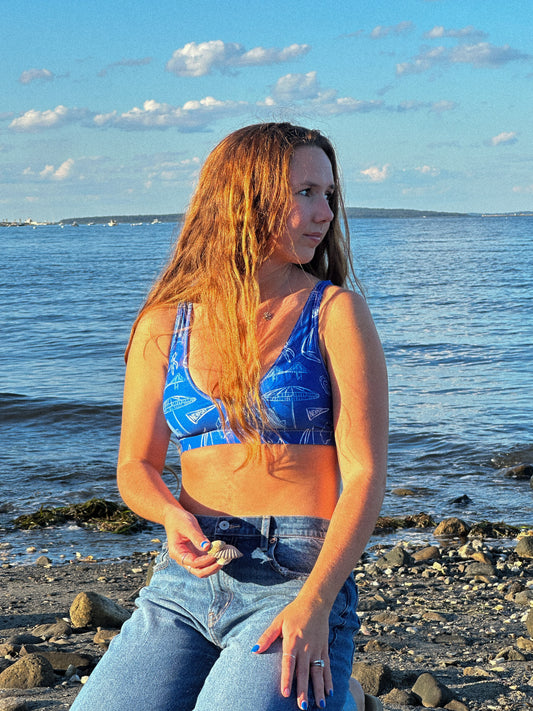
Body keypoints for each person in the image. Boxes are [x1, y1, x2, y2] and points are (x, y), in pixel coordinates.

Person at [70, 122, 388, 711]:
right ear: (243, 198)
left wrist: (317, 602)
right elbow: (136, 465)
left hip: (297, 573)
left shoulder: (335, 313)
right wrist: (171, 516)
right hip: (184, 580)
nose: (325, 213)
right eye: (305, 193)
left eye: (328, 194)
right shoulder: (164, 323)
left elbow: (365, 472)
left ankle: (344, 695)